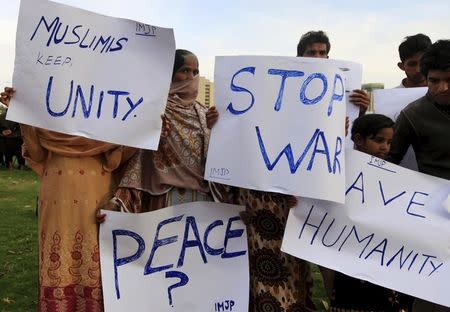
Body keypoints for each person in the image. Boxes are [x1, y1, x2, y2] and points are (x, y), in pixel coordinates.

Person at [0, 87, 136, 311]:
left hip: (97, 198)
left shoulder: (105, 113)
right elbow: (37, 155)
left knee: (97, 261)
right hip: (58, 199)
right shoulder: (50, 112)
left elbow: (114, 161)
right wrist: (22, 114)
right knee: (58, 261)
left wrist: (141, 131)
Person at [104, 49, 218, 213]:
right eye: (185, 70)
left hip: (202, 201)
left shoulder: (203, 113)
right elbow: (136, 153)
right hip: (164, 200)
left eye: (195, 72)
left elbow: (212, 161)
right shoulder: (153, 109)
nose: (191, 77)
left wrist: (215, 129)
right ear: (170, 74)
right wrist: (150, 133)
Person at [389, 40, 450, 312]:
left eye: (449, 80)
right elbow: (389, 161)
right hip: (434, 219)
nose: (442, 88)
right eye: (434, 81)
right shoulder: (412, 114)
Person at [330, 113, 413, 311]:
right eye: (379, 140)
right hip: (350, 250)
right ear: (358, 139)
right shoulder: (341, 169)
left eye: (389, 142)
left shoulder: (393, 174)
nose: (385, 147)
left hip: (382, 254)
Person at [296, 30, 370, 113]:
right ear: (299, 57)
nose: (317, 57)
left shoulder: (339, 85)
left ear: (327, 58)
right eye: (311, 53)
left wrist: (360, 111)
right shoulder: (289, 86)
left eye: (322, 53)